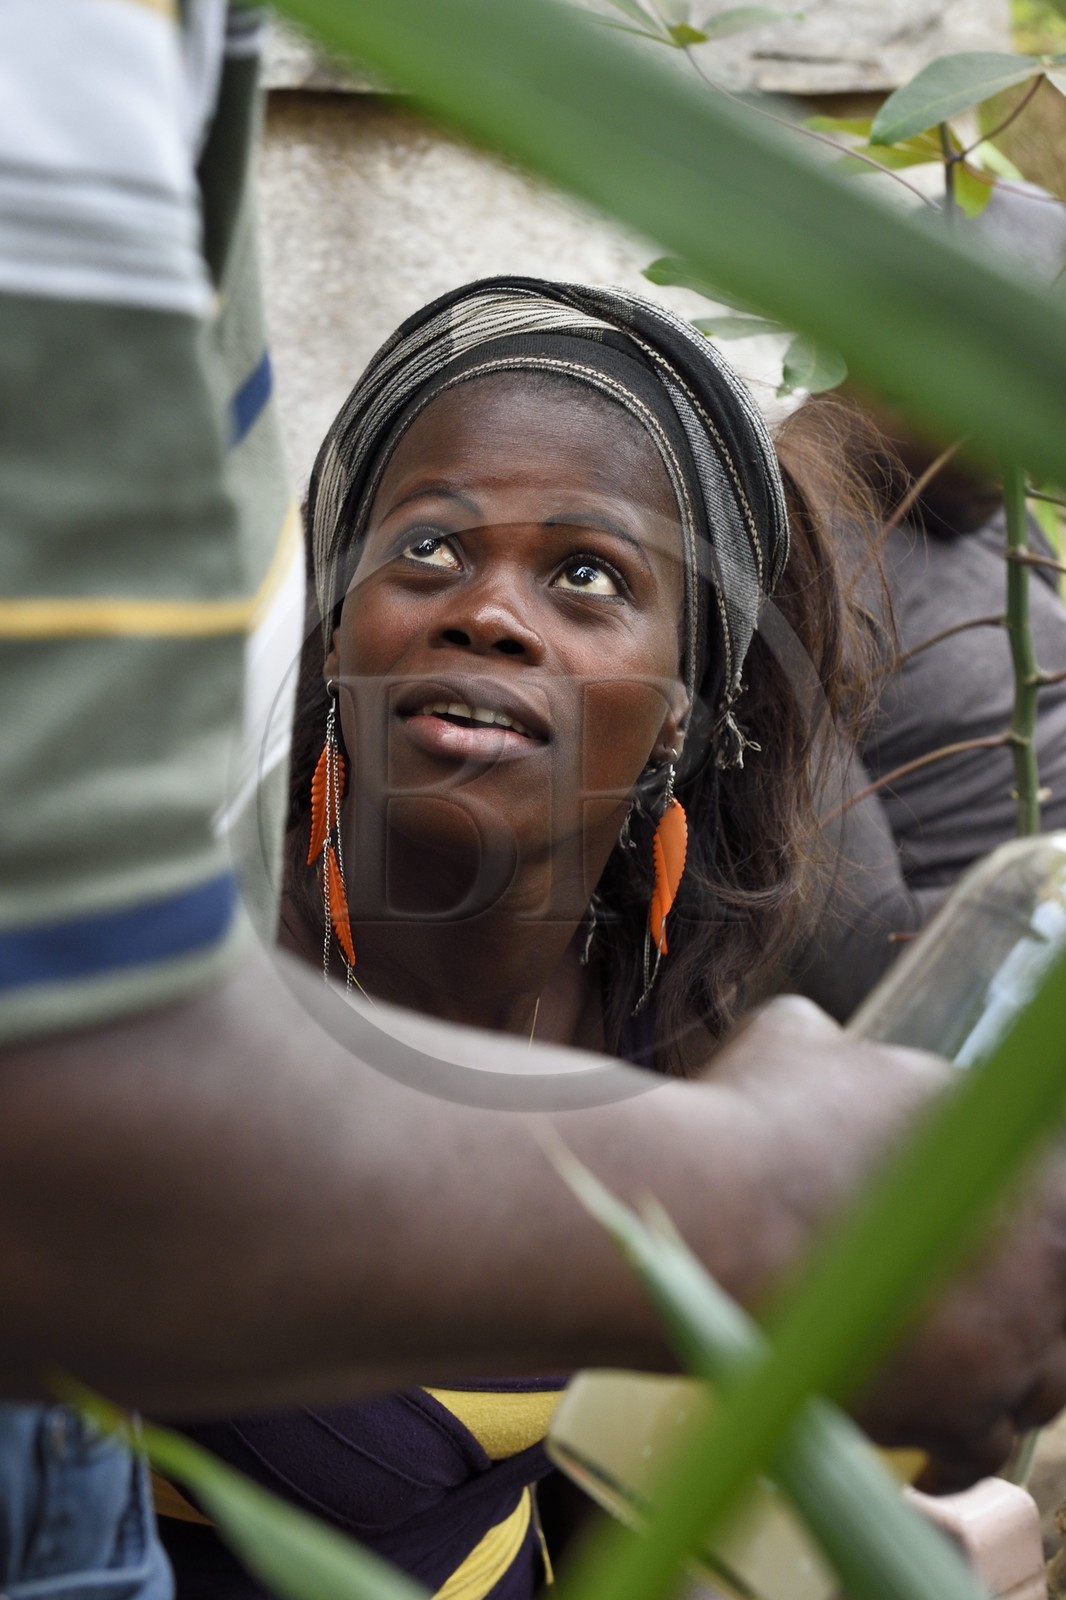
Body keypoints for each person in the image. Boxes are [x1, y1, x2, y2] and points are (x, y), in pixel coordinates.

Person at [7, 5, 1066, 1598]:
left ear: (685, 710)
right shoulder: (192, 947)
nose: (488, 612)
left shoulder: (699, 1003)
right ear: (332, 631)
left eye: (586, 577)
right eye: (428, 547)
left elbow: (616, 1493)